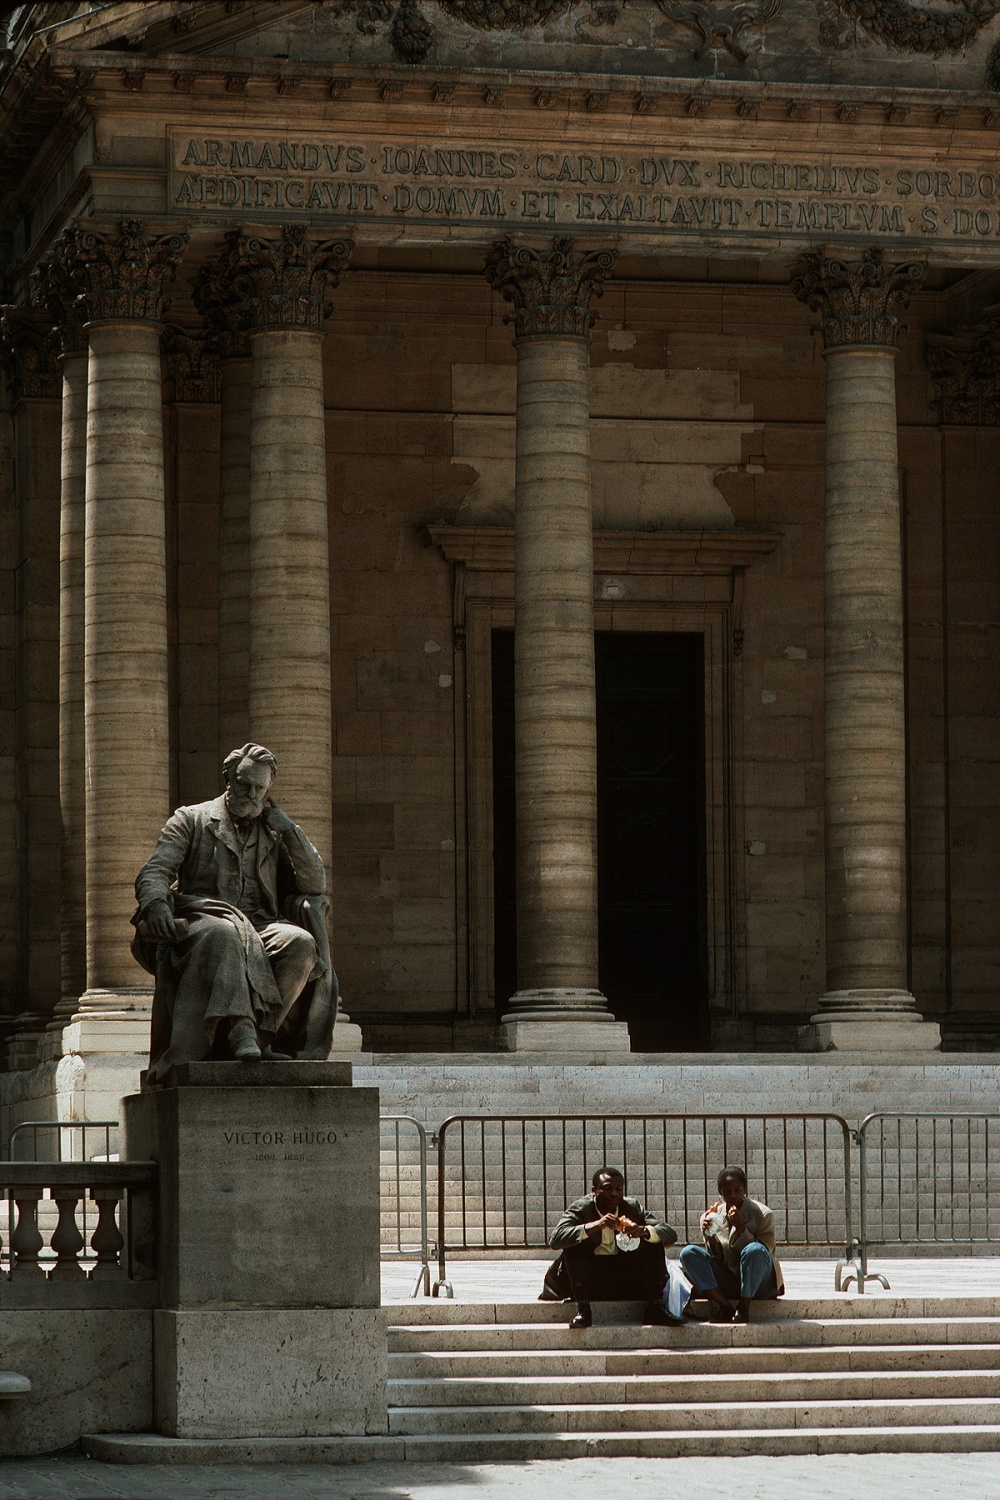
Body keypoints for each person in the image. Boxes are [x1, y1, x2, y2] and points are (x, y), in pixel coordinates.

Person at [132, 743, 335, 1084]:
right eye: (244, 784)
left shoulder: (273, 831)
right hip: (202, 920)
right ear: (228, 778)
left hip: (259, 926)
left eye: (259, 788)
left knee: (300, 943)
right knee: (224, 932)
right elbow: (155, 870)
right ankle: (240, 1031)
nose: (251, 793)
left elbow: (315, 883)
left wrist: (289, 830)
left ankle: (259, 1035)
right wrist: (155, 904)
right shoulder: (191, 819)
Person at [541, 1167, 677, 1328]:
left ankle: (656, 1307)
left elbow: (670, 1233)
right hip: (588, 1279)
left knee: (653, 1236)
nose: (614, 1194)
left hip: (622, 1278)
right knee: (576, 1240)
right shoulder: (581, 1208)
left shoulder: (632, 1207)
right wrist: (594, 1226)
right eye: (607, 1189)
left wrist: (642, 1231)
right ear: (594, 1191)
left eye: (619, 1189)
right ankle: (583, 1309)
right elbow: (555, 1239)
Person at [679, 1165, 784, 1323]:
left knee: (754, 1250)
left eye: (737, 1190)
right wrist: (710, 1236)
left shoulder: (763, 1214)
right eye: (727, 1192)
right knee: (688, 1253)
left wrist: (742, 1229)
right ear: (720, 1192)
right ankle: (725, 1306)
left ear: (745, 1189)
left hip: (759, 1283)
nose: (733, 1195)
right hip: (729, 1280)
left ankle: (743, 1308)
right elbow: (715, 1258)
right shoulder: (712, 1216)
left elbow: (764, 1254)